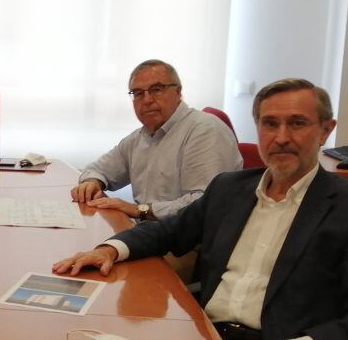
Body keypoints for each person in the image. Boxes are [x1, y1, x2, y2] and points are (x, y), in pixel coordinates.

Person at [54, 79, 348, 340]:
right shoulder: (230, 189)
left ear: (326, 131)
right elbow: (169, 231)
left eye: (297, 123)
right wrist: (109, 249)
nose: (281, 137)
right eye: (269, 124)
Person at [71, 60, 241, 220]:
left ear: (178, 92)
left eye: (156, 90)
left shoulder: (205, 130)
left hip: (187, 243)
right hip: (149, 232)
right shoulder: (141, 136)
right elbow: (98, 169)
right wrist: (92, 182)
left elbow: (203, 203)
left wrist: (140, 211)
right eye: (138, 93)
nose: (147, 100)